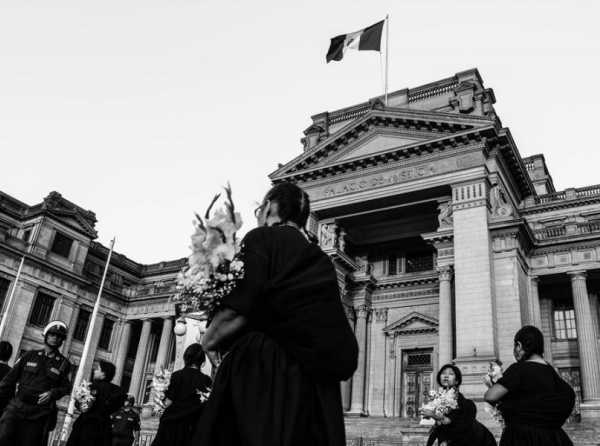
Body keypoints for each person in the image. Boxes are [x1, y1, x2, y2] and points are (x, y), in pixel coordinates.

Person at [192, 182, 358, 446]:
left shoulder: (262, 238)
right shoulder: (319, 258)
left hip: (265, 370)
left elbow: (242, 304)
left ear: (268, 207)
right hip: (309, 382)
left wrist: (209, 340)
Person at [484, 325, 575, 446]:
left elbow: (490, 396)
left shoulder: (519, 369)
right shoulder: (554, 375)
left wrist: (492, 383)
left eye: (515, 346)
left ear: (519, 346)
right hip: (554, 438)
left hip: (521, 438)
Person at [0, 320, 72, 446]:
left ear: (62, 341)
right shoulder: (29, 355)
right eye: (52, 334)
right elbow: (8, 381)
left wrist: (52, 393)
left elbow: (66, 387)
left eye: (59, 337)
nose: (55, 338)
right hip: (17, 408)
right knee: (3, 439)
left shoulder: (64, 364)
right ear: (46, 335)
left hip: (39, 414)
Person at [151, 344, 211, 446]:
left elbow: (167, 403)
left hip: (171, 425)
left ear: (185, 358)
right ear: (202, 361)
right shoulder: (207, 380)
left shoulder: (176, 376)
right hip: (192, 428)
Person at [423, 364, 496, 446]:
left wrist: (433, 415)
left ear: (457, 381)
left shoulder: (462, 402)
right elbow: (438, 426)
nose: (446, 376)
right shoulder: (438, 399)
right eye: (443, 373)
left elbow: (449, 421)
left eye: (451, 374)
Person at [66, 360, 126, 446]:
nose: (95, 371)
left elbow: (82, 407)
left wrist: (78, 400)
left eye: (98, 369)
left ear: (103, 374)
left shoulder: (90, 387)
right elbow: (116, 407)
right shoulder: (118, 391)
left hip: (85, 426)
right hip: (103, 428)